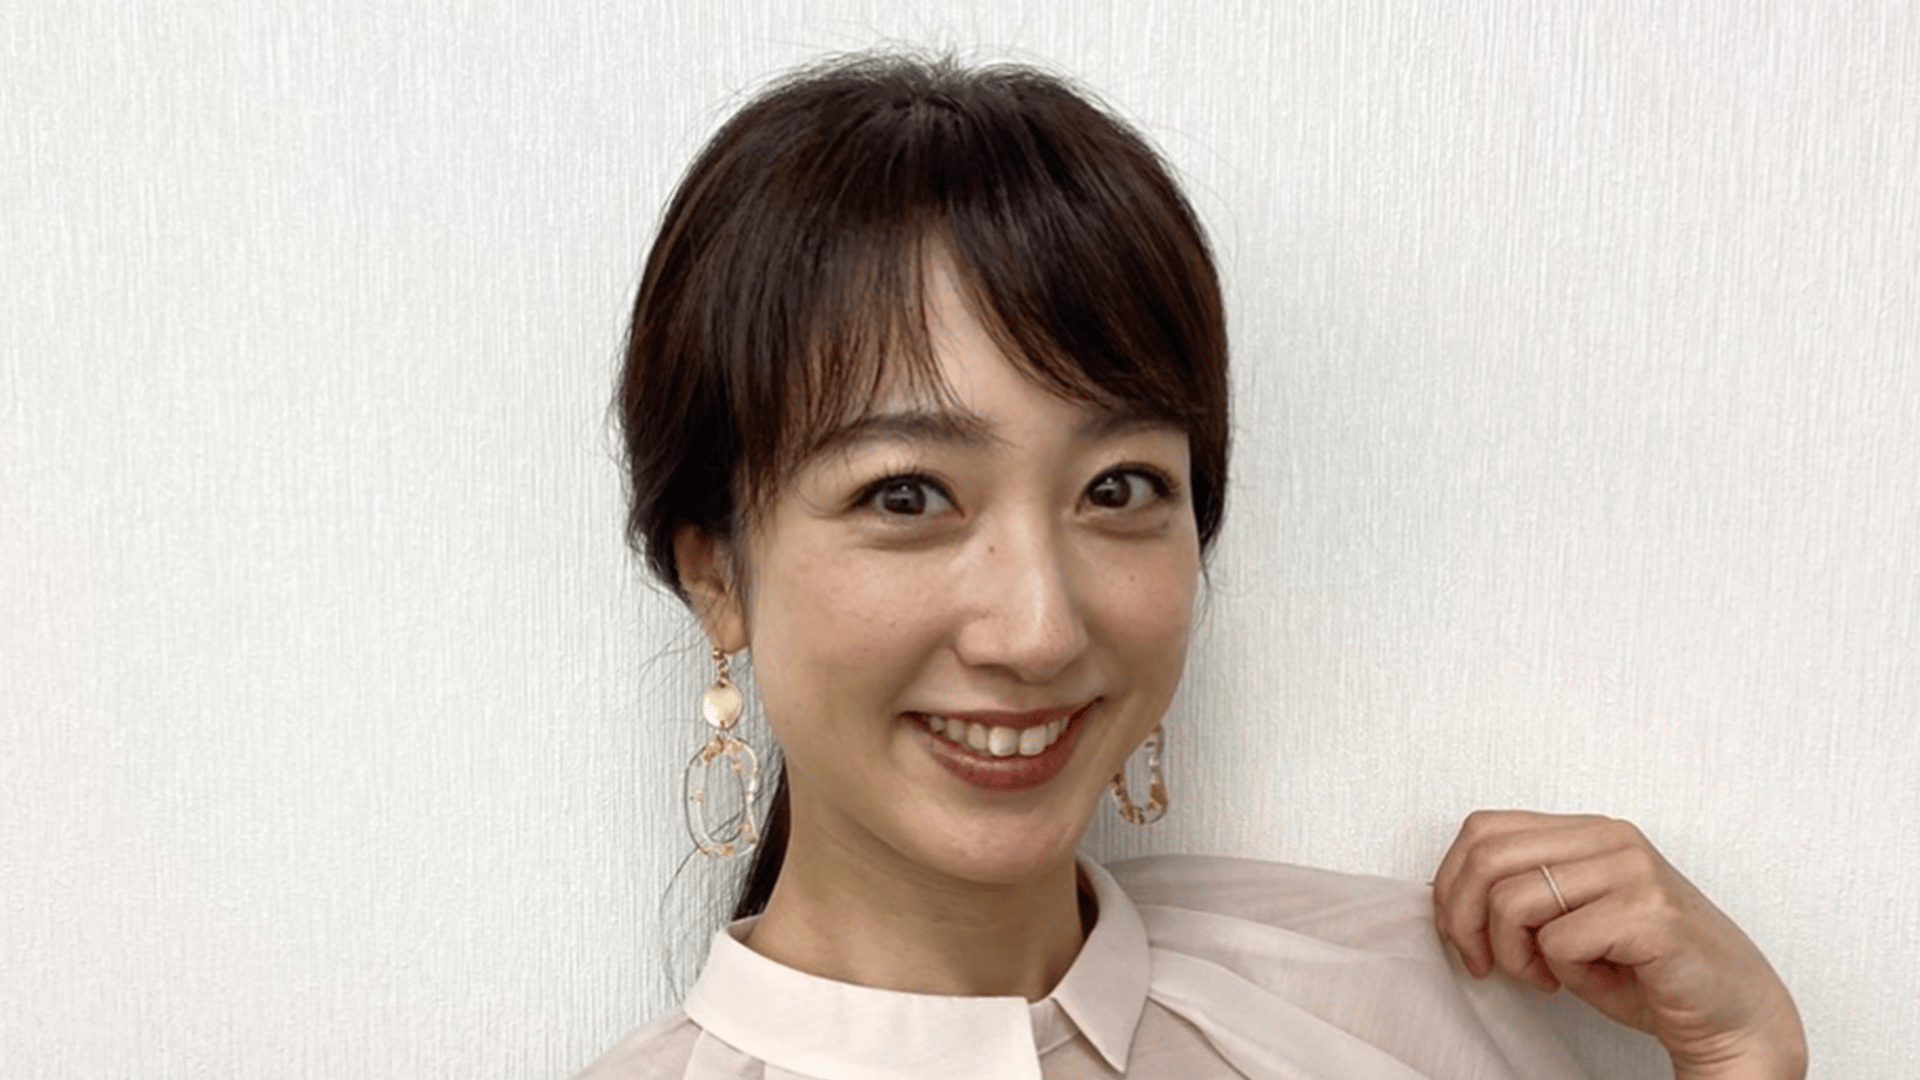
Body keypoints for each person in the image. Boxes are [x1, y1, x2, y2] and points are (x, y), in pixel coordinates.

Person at [579, 53, 1806, 1079]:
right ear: (717, 575)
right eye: (907, 495)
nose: (1040, 629)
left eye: (1117, 489)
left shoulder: (1403, 1010)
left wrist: (1743, 1057)